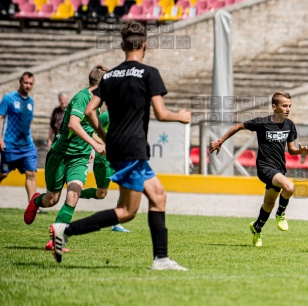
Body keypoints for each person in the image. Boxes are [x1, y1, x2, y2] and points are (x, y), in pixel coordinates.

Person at [49, 21, 191, 270]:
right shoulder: (149, 73)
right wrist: (180, 115)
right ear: (144, 45)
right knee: (127, 210)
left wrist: (105, 135)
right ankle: (66, 229)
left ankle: (161, 258)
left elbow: (91, 111)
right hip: (132, 148)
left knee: (157, 196)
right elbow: (160, 113)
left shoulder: (110, 76)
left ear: (123, 45)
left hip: (118, 148)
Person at [209, 91, 308, 247]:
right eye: (284, 105)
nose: (288, 109)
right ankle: (281, 214)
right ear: (274, 106)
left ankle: (257, 228)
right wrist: (220, 141)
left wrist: (300, 151)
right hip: (265, 168)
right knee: (290, 187)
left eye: (289, 106)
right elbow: (238, 126)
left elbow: (291, 149)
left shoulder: (289, 124)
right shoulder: (262, 123)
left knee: (268, 204)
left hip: (279, 169)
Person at [23, 65, 108, 254]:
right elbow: (73, 124)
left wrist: (98, 144)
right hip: (60, 154)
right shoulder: (82, 97)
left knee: (73, 195)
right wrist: (95, 145)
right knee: (52, 199)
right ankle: (37, 201)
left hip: (79, 157)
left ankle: (55, 241)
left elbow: (88, 130)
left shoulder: (97, 103)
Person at [84, 110, 131, 233]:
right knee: (101, 194)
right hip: (104, 159)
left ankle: (117, 222)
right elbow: (91, 131)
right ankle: (77, 193)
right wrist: (103, 145)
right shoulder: (107, 115)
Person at [0, 72, 38, 204]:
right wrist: (0, 139)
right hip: (9, 146)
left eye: (31, 84)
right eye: (26, 83)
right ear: (20, 82)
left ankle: (33, 208)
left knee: (31, 174)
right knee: (3, 174)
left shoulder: (31, 102)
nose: (28, 86)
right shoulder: (9, 98)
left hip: (27, 147)